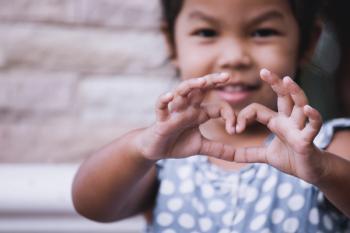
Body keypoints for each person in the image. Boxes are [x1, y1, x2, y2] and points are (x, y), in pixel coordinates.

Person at [72, 0, 350, 232]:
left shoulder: (326, 147)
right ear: (171, 43)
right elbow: (91, 206)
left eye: (263, 31)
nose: (233, 57)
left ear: (308, 43)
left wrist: (322, 169)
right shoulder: (160, 156)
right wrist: (141, 148)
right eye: (206, 32)